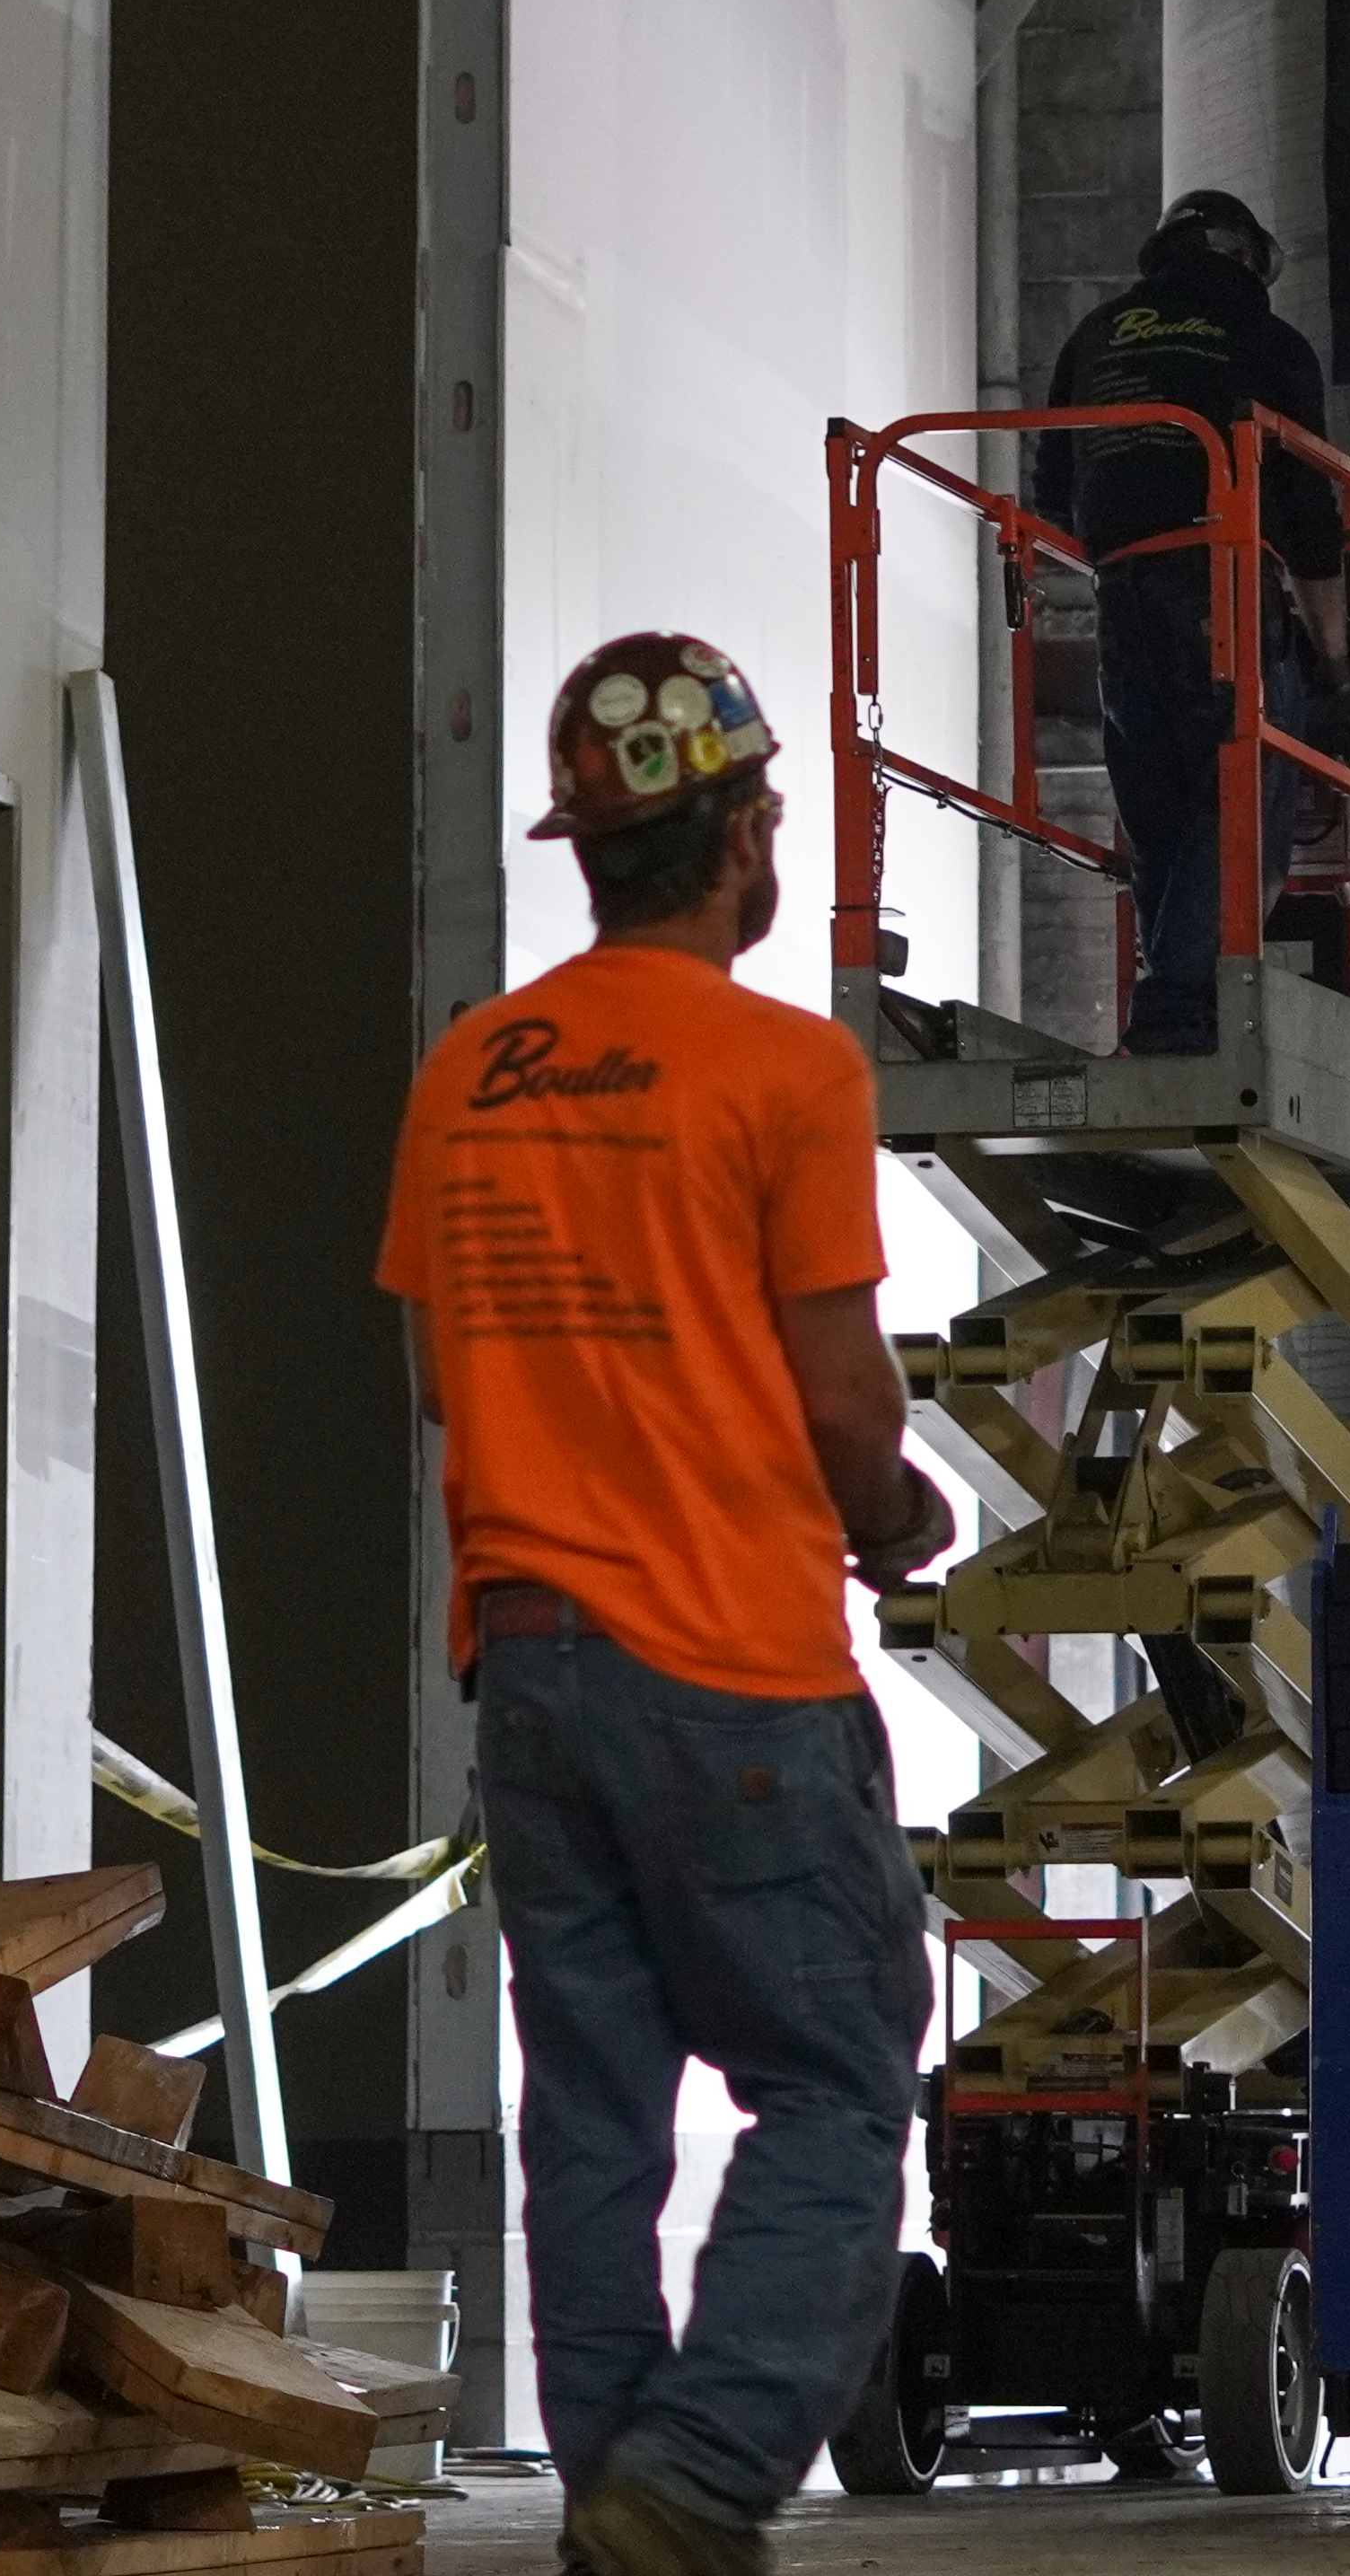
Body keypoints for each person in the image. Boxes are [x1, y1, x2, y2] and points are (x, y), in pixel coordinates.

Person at [373, 631, 957, 2576]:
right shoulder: (788, 1066)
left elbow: (440, 1379)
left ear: (588, 846)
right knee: (840, 2075)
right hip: (732, 1663)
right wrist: (896, 1515)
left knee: (598, 2104)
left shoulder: (471, 1069)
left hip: (529, 1659)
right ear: (738, 831)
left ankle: (622, 2495)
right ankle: (697, 2475)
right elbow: (842, 1392)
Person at [1026, 190, 1350, 1053]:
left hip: (1121, 591)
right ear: (1245, 256)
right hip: (1226, 581)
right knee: (1244, 799)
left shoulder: (1093, 337)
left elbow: (1051, 497)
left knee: (1160, 806)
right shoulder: (1267, 340)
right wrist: (1342, 669)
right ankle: (1176, 1013)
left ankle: (1175, 1001)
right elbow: (1311, 515)